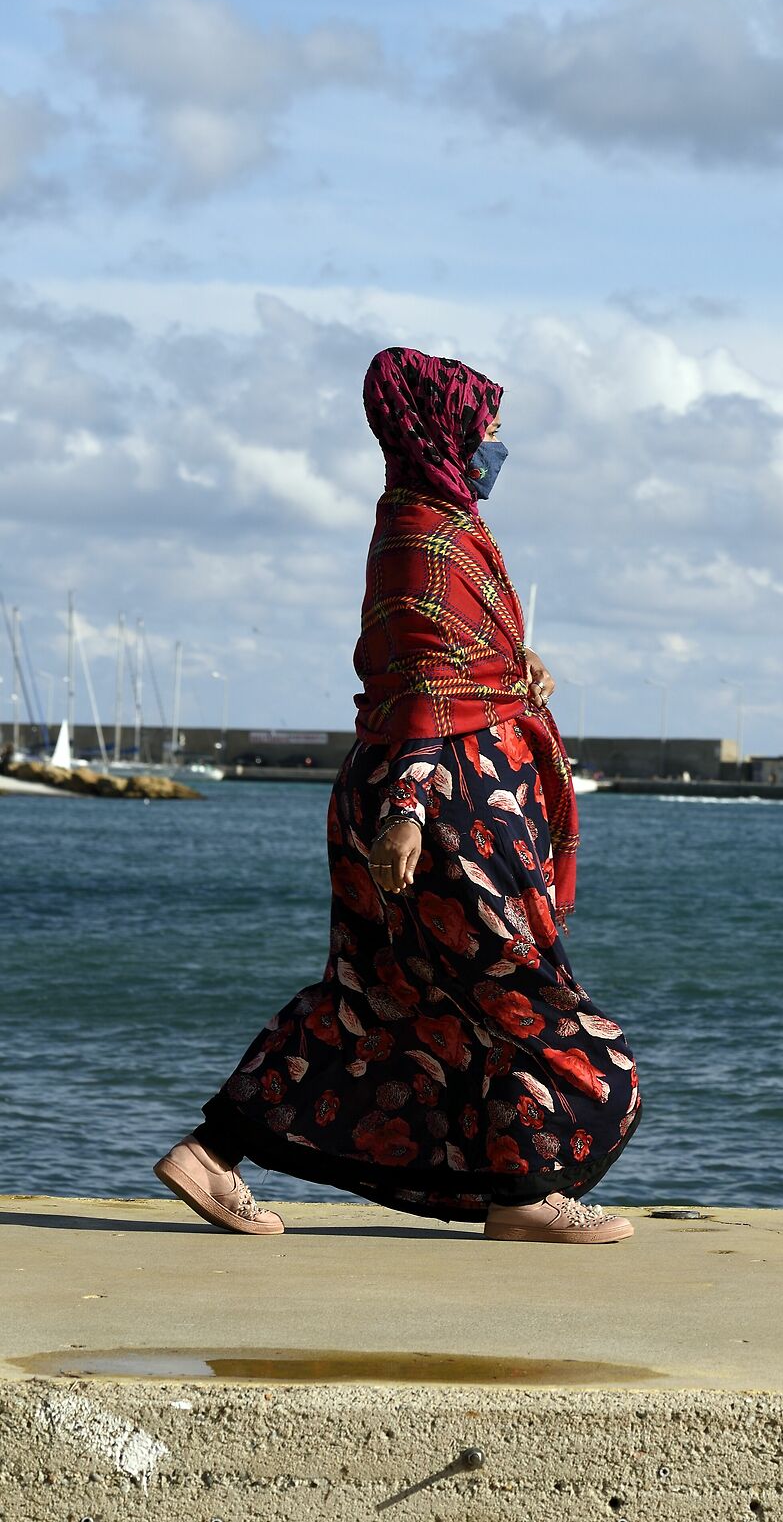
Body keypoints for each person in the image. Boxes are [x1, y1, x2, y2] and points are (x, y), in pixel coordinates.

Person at [154, 346, 641, 1244]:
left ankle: (214, 1154)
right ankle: (524, 1193)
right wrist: (411, 808)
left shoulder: (421, 523)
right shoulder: (429, 537)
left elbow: (447, 660)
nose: (498, 448)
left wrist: (513, 661)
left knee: (382, 995)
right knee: (533, 1003)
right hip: (442, 811)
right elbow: (422, 679)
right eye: (488, 432)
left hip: (422, 799)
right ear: (448, 432)